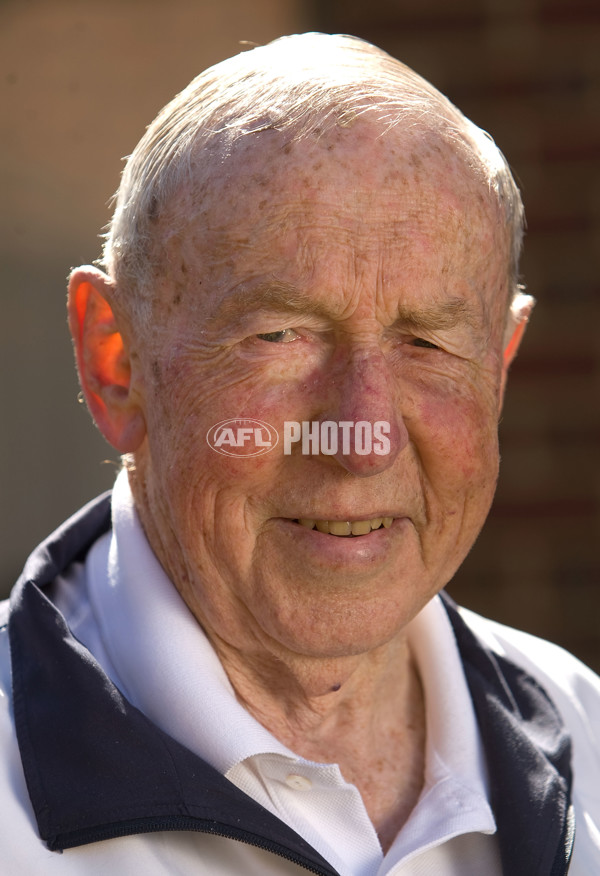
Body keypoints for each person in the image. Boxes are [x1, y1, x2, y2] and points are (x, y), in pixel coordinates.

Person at [1, 32, 598, 876]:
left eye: (426, 343)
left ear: (500, 367)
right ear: (116, 362)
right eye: (279, 334)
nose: (364, 439)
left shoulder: (588, 739)